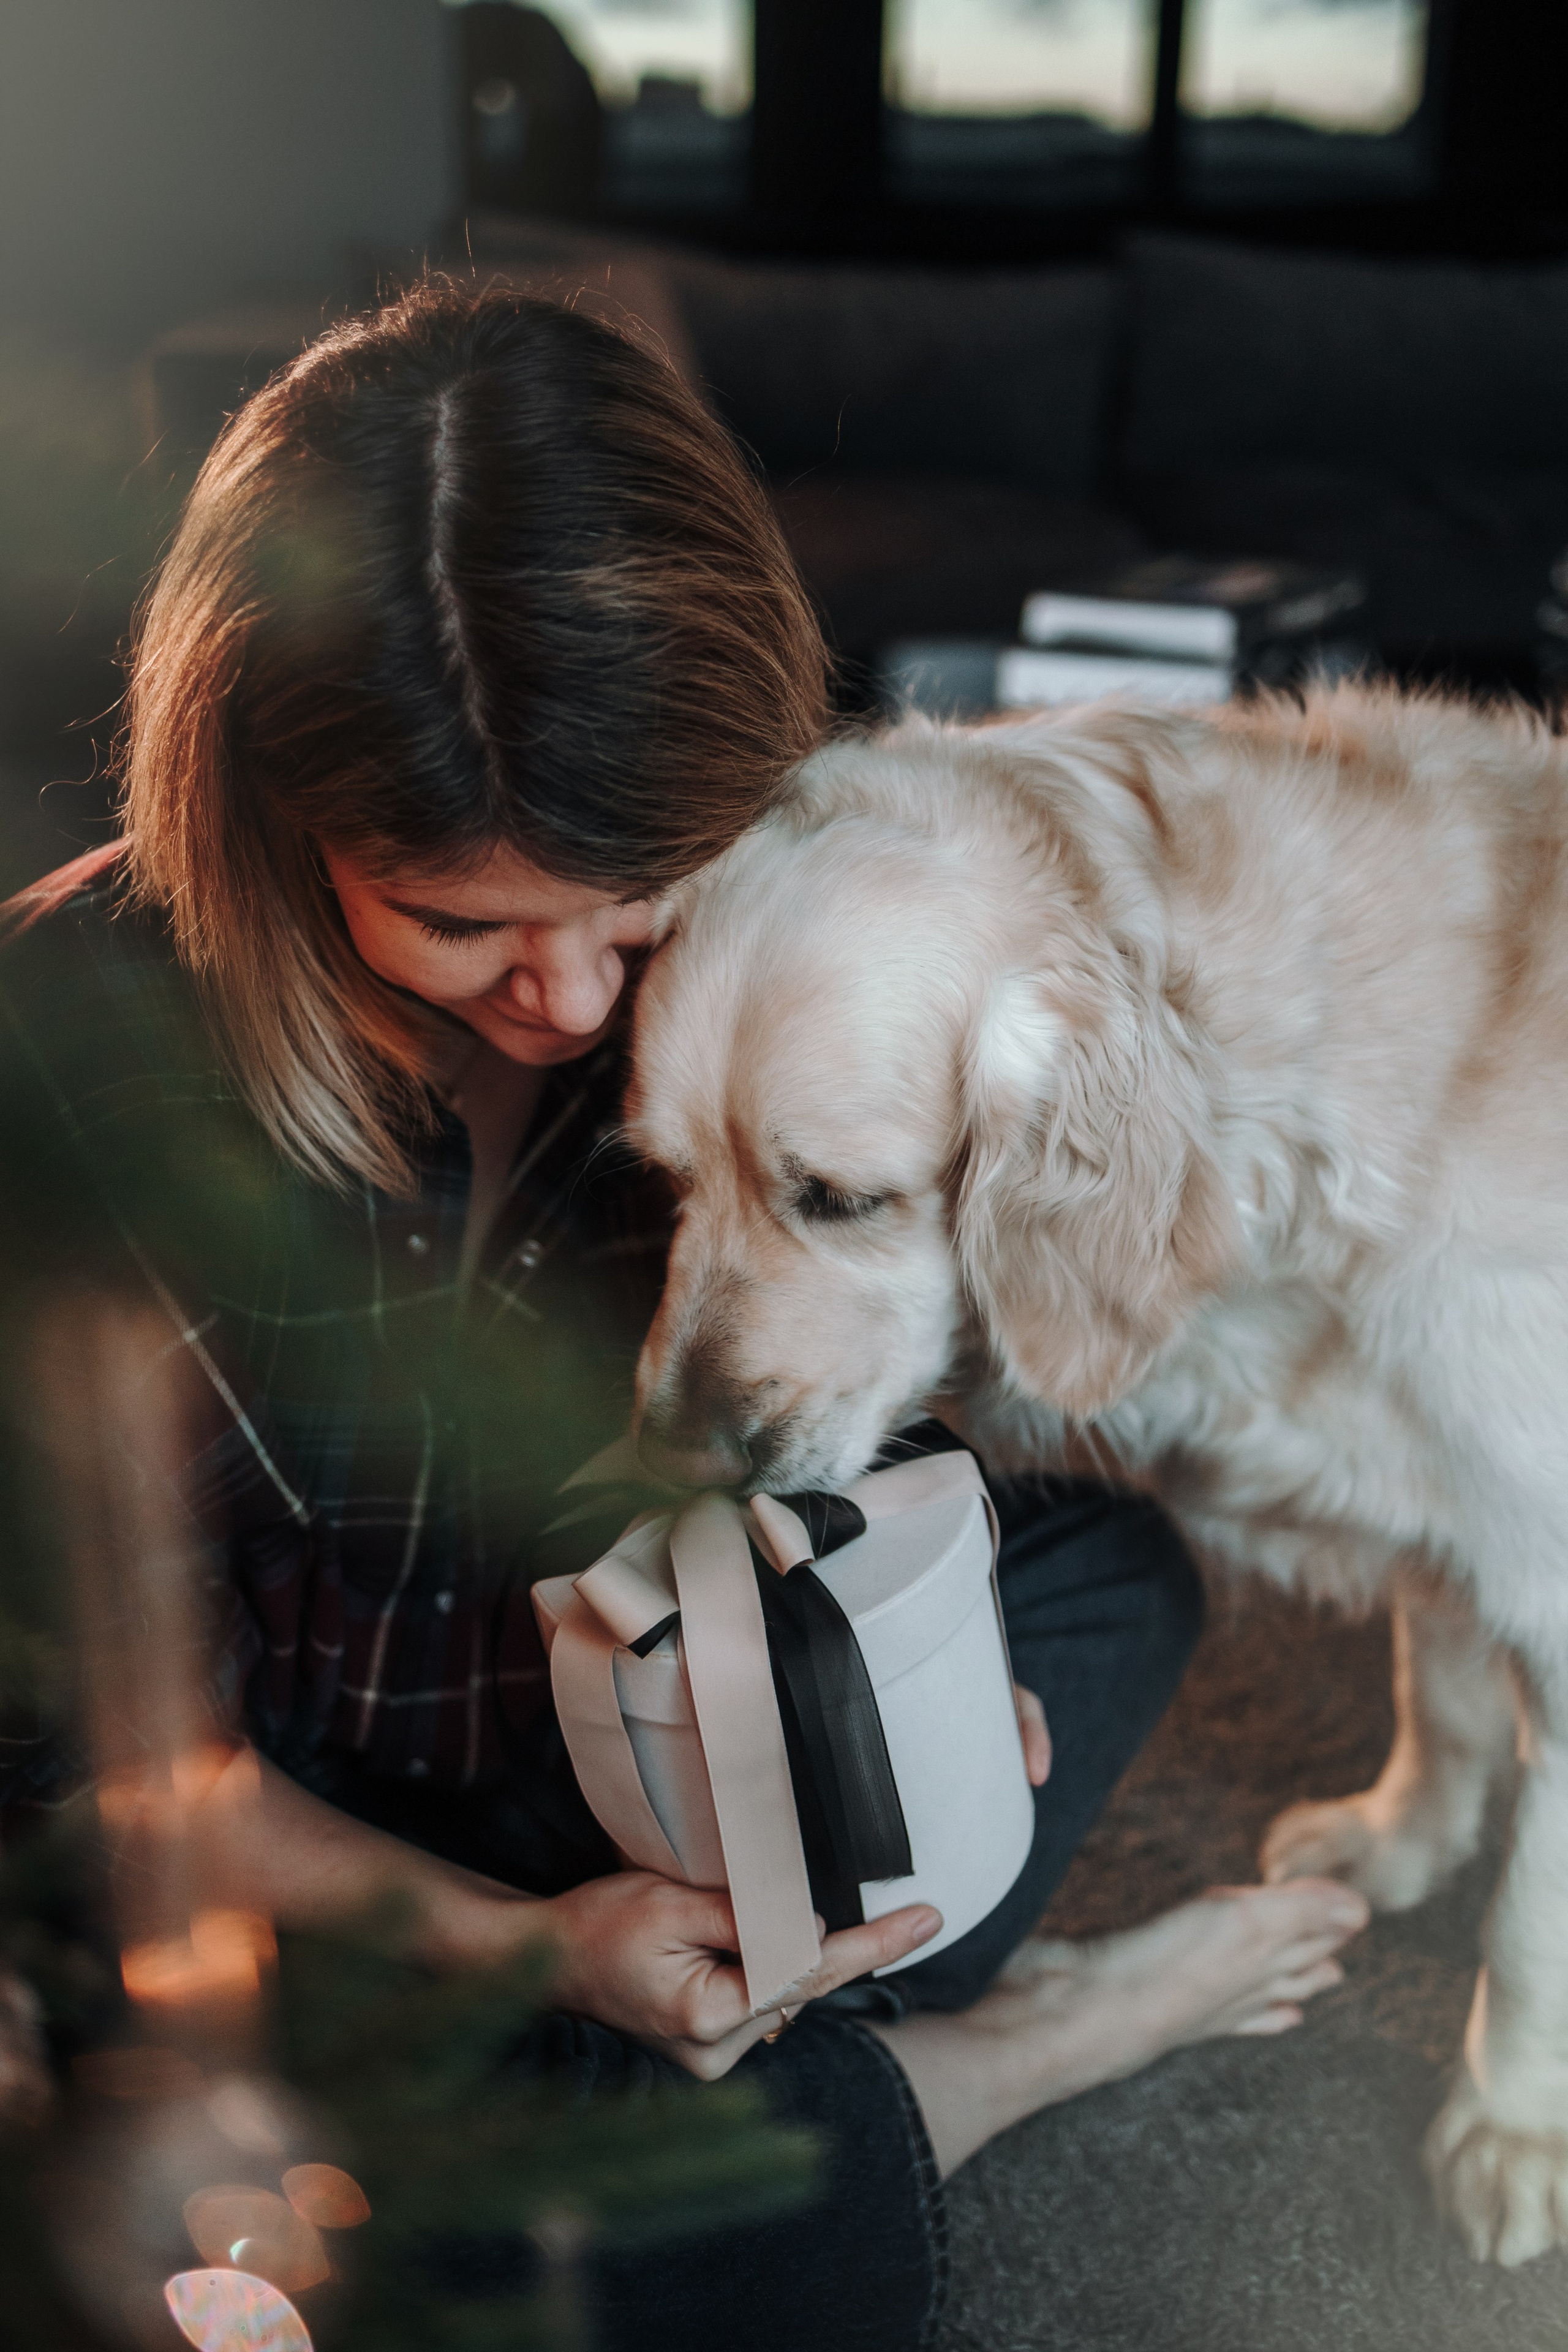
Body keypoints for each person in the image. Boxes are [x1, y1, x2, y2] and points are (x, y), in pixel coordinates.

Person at [0, 283, 1365, 2351]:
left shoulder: (751, 954)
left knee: (1097, 1577)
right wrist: (530, 1952)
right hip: (260, 1861)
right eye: (456, 920)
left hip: (605, 1715)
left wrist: (891, 1650)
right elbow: (68, 1769)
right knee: (256, 2250)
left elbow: (820, 1401)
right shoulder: (71, 1092)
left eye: (628, 915)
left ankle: (748, 2083)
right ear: (266, 807)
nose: (561, 1005)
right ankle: (964, 2078)